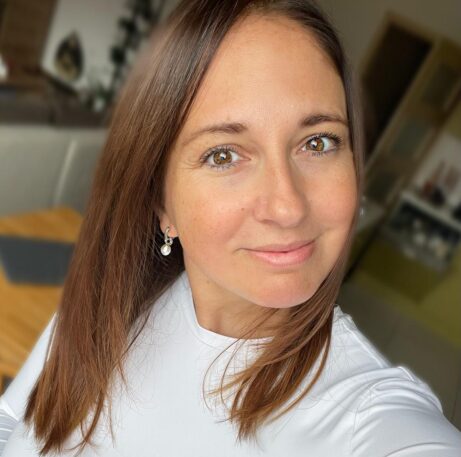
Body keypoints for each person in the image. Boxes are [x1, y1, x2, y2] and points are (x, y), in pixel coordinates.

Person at [1, 0, 460, 455]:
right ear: (161, 202)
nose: (287, 207)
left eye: (318, 143)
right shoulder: (109, 296)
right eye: (223, 155)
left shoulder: (367, 420)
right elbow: (13, 418)